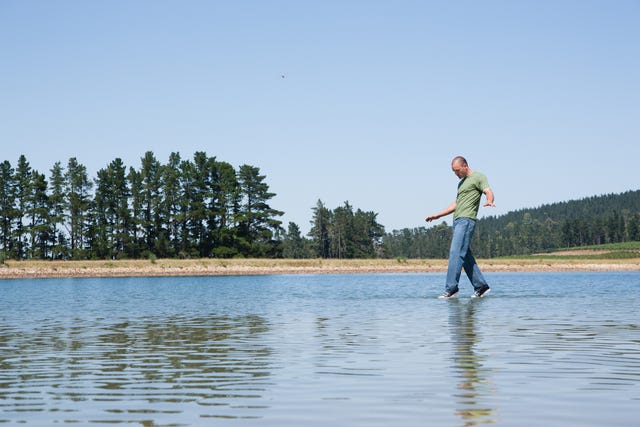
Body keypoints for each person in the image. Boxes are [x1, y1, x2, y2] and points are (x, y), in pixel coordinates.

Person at [426, 156, 495, 298]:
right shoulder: (461, 184)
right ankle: (481, 286)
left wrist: (489, 200)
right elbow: (456, 204)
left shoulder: (478, 177)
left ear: (465, 166)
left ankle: (451, 288)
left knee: (455, 253)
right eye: (453, 172)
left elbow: (488, 191)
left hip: (467, 220)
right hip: (457, 221)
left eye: (457, 171)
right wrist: (438, 215)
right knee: (466, 256)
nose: (456, 174)